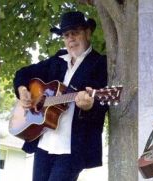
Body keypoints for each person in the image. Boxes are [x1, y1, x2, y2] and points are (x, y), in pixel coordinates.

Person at [13, 11, 108, 181]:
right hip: (44, 142)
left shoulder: (99, 63)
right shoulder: (57, 60)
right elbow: (23, 73)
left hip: (72, 148)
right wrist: (22, 90)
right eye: (66, 35)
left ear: (87, 33)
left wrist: (89, 105)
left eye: (75, 32)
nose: (71, 39)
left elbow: (103, 104)